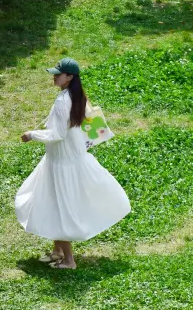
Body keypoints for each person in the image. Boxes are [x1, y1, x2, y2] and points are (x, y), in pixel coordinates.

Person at [15, 58, 131, 269]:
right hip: (67, 159)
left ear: (69, 77)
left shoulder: (63, 101)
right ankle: (57, 250)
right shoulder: (76, 97)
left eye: (58, 74)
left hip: (62, 162)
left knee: (61, 206)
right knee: (54, 201)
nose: (54, 76)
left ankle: (69, 260)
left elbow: (58, 133)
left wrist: (32, 135)